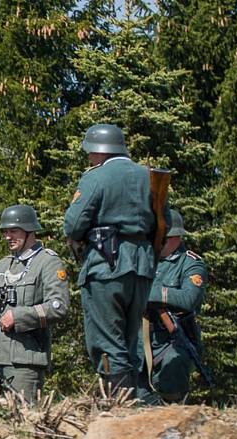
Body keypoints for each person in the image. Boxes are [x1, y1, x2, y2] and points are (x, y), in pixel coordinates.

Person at [63, 124, 167, 397]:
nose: (89, 159)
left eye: (90, 153)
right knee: (129, 342)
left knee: (107, 342)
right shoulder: (150, 177)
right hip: (142, 267)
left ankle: (120, 409)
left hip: (105, 265)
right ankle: (133, 402)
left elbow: (73, 225)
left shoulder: (96, 177)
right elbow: (162, 224)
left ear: (100, 151)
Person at [0, 205, 69, 404]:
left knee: (22, 421)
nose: (8, 237)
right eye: (5, 232)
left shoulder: (48, 262)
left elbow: (58, 307)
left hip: (26, 361)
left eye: (13, 231)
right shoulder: (0, 266)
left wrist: (18, 317)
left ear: (29, 231)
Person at [137, 210, 207, 404]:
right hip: (140, 343)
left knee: (172, 389)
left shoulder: (191, 264)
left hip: (173, 340)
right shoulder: (144, 260)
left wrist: (149, 293)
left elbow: (188, 299)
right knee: (139, 401)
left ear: (175, 237)